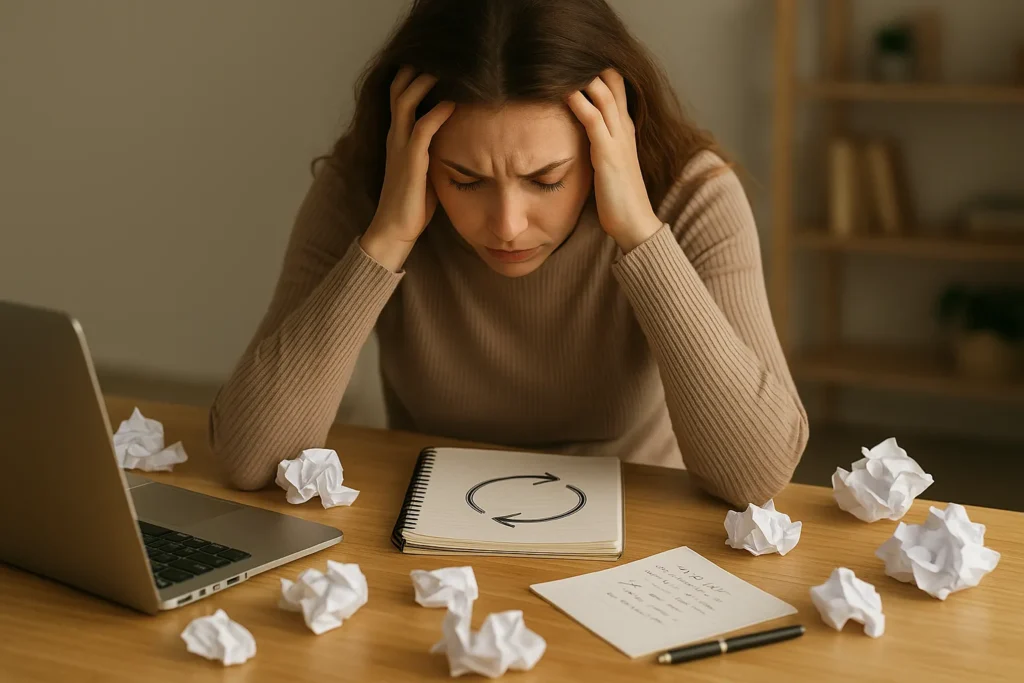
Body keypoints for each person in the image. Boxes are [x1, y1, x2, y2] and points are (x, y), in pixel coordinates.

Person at [209, 0, 808, 508]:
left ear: (612, 141)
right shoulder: (366, 194)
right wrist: (386, 238)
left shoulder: (693, 197)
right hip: (430, 540)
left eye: (546, 180)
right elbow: (250, 459)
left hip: (640, 540)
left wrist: (641, 236)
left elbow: (757, 477)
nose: (508, 226)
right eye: (464, 181)